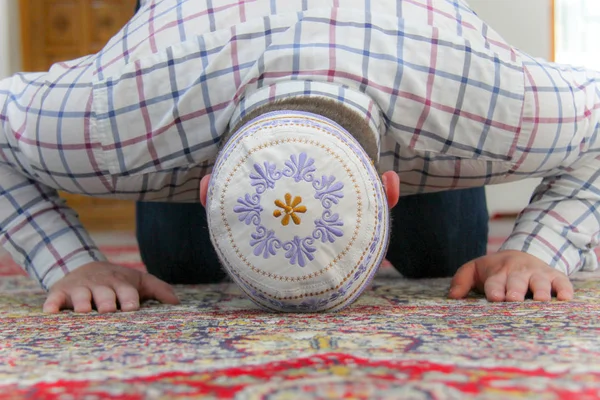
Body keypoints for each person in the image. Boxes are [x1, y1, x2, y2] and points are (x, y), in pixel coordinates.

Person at [0, 0, 591, 314]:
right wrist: (70, 265)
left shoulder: (483, 92)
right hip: (189, 48)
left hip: (415, 47)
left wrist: (537, 251)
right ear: (207, 187)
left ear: (389, 188)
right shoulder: (119, 109)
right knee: (180, 264)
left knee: (445, 255)